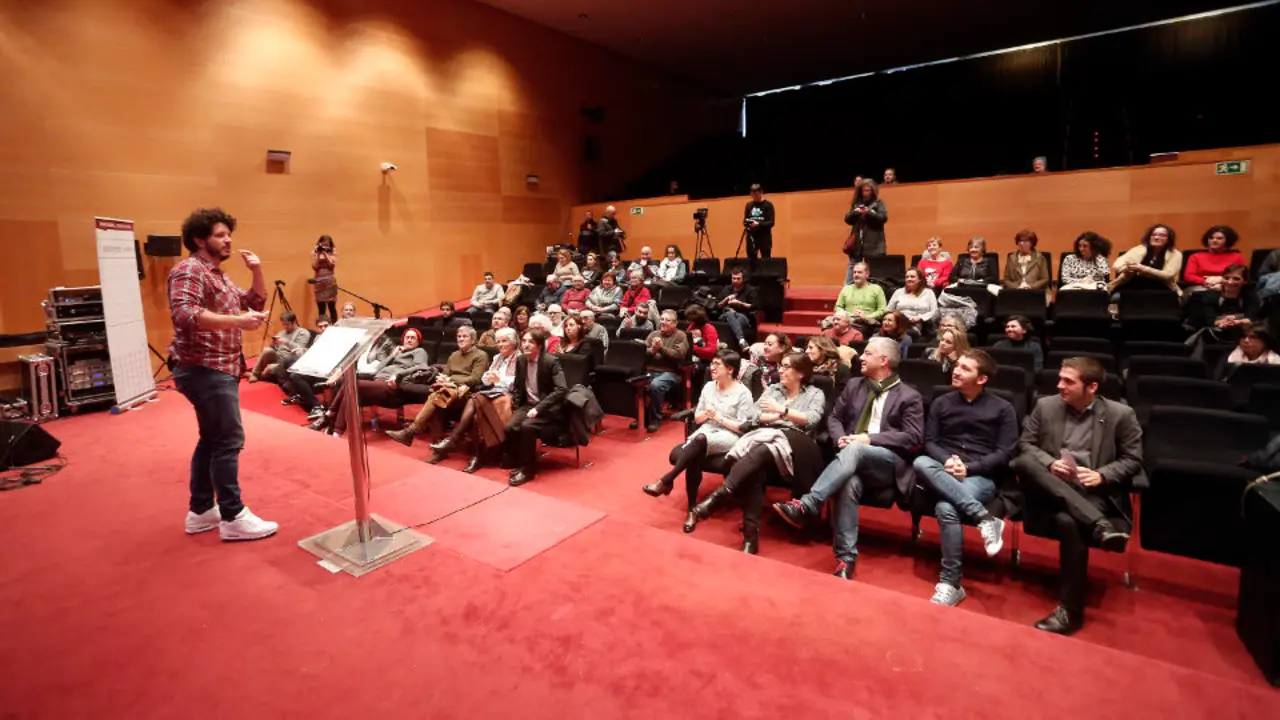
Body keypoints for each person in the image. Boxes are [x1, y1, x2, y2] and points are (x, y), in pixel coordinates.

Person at [168, 207, 278, 541]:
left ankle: (201, 511)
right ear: (200, 239)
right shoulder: (189, 270)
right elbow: (184, 314)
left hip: (219, 367)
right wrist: (238, 322)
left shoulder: (217, 273)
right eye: (220, 235)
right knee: (228, 440)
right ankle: (232, 516)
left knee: (211, 439)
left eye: (228, 234)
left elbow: (252, 300)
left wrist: (257, 270)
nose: (228, 240)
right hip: (205, 368)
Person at [772, 338, 925, 577]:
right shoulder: (855, 385)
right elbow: (834, 419)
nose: (860, 358)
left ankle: (809, 503)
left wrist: (868, 440)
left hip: (886, 463)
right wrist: (842, 437)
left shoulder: (909, 396)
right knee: (849, 483)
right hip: (850, 458)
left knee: (856, 449)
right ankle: (846, 559)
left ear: (884, 361)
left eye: (867, 353)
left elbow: (914, 438)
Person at [1013, 357, 1143, 635]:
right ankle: (1098, 524)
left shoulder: (1121, 415)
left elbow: (1133, 460)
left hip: (1092, 492)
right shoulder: (1046, 406)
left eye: (1068, 381)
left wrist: (1103, 475)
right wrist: (1049, 463)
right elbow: (1025, 445)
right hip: (1050, 486)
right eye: (1060, 378)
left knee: (1068, 521)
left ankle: (1070, 612)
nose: (1059, 385)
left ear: (1092, 387)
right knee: (1024, 463)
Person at [690, 352, 827, 554]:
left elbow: (811, 419)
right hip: (769, 438)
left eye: (786, 366)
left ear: (800, 373)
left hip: (799, 444)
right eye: (781, 365)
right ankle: (750, 537)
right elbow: (754, 414)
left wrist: (780, 411)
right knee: (757, 466)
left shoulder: (815, 393)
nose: (780, 370)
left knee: (761, 448)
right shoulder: (773, 389)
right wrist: (773, 417)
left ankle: (720, 494)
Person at [913, 349, 1018, 606]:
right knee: (920, 462)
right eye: (956, 366)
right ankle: (984, 518)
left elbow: (1005, 453)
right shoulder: (942, 402)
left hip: (979, 476)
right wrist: (948, 461)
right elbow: (930, 442)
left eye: (964, 368)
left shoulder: (1003, 409)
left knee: (946, 506)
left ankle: (951, 583)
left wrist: (969, 468)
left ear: (981, 379)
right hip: (943, 469)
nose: (956, 371)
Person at [642, 350, 755, 532]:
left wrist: (718, 417)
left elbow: (743, 427)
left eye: (717, 364)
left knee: (699, 440)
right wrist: (706, 415)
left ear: (730, 369)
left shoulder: (743, 393)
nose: (712, 367)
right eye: (712, 363)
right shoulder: (709, 386)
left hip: (730, 436)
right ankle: (692, 509)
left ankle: (667, 479)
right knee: (695, 453)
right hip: (706, 431)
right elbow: (698, 417)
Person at [425, 328, 521, 472]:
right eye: (498, 341)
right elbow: (485, 381)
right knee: (441, 402)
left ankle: (469, 451)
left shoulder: (520, 358)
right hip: (492, 393)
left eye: (504, 341)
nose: (500, 344)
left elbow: (519, 384)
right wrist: (488, 378)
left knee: (476, 411)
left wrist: (499, 379)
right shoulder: (497, 358)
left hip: (509, 397)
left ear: (513, 343)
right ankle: (453, 448)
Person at [315, 328, 431, 437]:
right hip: (378, 381)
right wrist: (393, 355)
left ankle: (330, 413)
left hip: (392, 386)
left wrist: (398, 375)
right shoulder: (398, 353)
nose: (409, 340)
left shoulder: (419, 351)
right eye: (407, 337)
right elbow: (379, 368)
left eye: (413, 338)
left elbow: (421, 366)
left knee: (352, 385)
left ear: (418, 341)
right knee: (350, 393)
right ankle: (335, 432)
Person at [384, 326, 489, 447]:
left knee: (435, 397)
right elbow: (445, 374)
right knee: (435, 397)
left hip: (466, 392)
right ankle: (436, 444)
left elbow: (475, 379)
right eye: (459, 336)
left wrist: (450, 380)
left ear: (473, 340)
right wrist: (442, 379)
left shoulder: (481, 355)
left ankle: (411, 431)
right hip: (447, 389)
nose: (460, 339)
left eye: (464, 336)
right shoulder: (454, 355)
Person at [505, 328, 568, 486]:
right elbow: (519, 387)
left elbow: (561, 389)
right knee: (510, 427)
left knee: (527, 427)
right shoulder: (521, 360)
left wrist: (539, 408)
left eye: (530, 342)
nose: (525, 345)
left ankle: (528, 469)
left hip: (548, 409)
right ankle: (521, 461)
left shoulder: (551, 361)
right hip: (528, 405)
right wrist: (516, 408)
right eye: (524, 341)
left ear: (539, 345)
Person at [642, 310, 690, 433]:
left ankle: (655, 419)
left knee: (656, 385)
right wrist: (652, 349)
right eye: (662, 319)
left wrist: (661, 348)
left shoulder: (680, 336)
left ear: (675, 323)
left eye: (667, 320)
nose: (663, 322)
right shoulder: (653, 334)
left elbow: (678, 355)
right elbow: (642, 352)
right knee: (631, 381)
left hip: (671, 372)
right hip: (649, 370)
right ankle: (641, 416)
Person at [1185, 263, 1258, 345]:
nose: (1230, 282)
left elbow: (1253, 318)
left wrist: (1237, 322)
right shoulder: (1211, 295)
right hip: (1213, 333)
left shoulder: (1250, 296)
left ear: (1245, 282)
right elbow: (1210, 320)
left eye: (1236, 279)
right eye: (1226, 278)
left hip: (1241, 331)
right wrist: (1222, 322)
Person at [1110, 224, 1182, 296]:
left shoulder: (1175, 254)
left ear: (1169, 239)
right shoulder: (1139, 249)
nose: (1156, 237)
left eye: (1162, 235)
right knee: (1118, 297)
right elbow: (1117, 264)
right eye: (1153, 235)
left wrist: (1143, 269)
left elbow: (1168, 275)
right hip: (1132, 286)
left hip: (1162, 289)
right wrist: (1126, 269)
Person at [249, 311, 311, 383]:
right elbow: (272, 349)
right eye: (283, 324)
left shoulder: (303, 332)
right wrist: (272, 344)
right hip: (278, 357)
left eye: (287, 324)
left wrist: (286, 342)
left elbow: (300, 349)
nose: (285, 326)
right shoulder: (282, 332)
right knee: (267, 350)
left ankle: (258, 376)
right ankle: (255, 374)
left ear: (294, 322)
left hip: (289, 360)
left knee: (269, 368)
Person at [843, 179, 888, 277]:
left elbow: (883, 218)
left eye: (868, 190)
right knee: (852, 266)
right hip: (857, 243)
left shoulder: (878, 203)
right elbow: (847, 219)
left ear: (873, 191)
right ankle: (847, 289)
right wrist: (856, 212)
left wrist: (869, 213)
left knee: (873, 269)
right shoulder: (857, 204)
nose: (865, 193)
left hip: (873, 243)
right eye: (863, 190)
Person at [1184, 225, 1247, 293]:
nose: (1214, 240)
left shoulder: (1238, 257)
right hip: (1201, 287)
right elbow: (1189, 276)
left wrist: (1221, 280)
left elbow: (1241, 276)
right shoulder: (1195, 256)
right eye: (1211, 238)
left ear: (1228, 240)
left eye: (1219, 238)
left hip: (1228, 286)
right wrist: (1205, 281)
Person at [834, 261, 886, 334]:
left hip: (867, 322)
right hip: (847, 319)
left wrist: (866, 316)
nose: (856, 275)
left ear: (867, 274)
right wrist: (848, 315)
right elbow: (838, 307)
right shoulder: (846, 289)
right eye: (854, 272)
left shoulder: (876, 289)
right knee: (827, 323)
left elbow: (882, 310)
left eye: (859, 272)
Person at [885, 268, 938, 336]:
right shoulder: (898, 292)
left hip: (916, 325)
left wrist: (921, 318)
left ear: (920, 279)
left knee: (902, 334)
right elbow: (889, 310)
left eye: (912, 277)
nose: (909, 279)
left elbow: (935, 311)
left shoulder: (928, 293)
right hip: (899, 323)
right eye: (907, 277)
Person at [715, 268, 758, 350]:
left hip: (743, 316)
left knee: (733, 319)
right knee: (730, 314)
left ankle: (729, 347)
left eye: (738, 278)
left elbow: (754, 306)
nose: (735, 280)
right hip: (724, 316)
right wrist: (726, 300)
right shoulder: (726, 289)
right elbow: (717, 306)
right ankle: (741, 340)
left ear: (743, 279)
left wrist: (739, 303)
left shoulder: (750, 290)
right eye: (733, 278)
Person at [743, 183, 775, 264]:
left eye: (756, 194)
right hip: (752, 238)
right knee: (751, 262)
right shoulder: (749, 205)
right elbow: (745, 220)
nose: (755, 197)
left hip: (764, 238)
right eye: (752, 194)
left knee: (765, 261)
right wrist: (747, 223)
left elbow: (771, 222)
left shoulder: (768, 205)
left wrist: (759, 224)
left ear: (761, 193)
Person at [311, 235, 338, 323]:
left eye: (327, 245)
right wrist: (318, 254)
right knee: (321, 306)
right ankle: (322, 326)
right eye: (323, 245)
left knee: (331, 306)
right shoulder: (315, 253)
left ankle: (334, 325)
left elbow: (331, 266)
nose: (325, 247)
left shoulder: (333, 252)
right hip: (319, 282)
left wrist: (326, 254)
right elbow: (315, 267)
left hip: (330, 281)